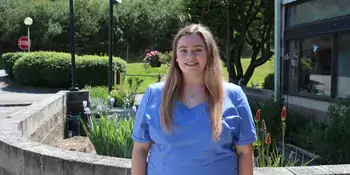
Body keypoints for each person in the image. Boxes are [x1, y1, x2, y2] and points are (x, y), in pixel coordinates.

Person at [131, 23, 257, 175]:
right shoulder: (154, 94)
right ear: (176, 57)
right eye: (183, 50)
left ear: (209, 54)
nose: (190, 56)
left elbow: (245, 153)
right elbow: (140, 149)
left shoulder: (234, 96)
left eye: (198, 50)